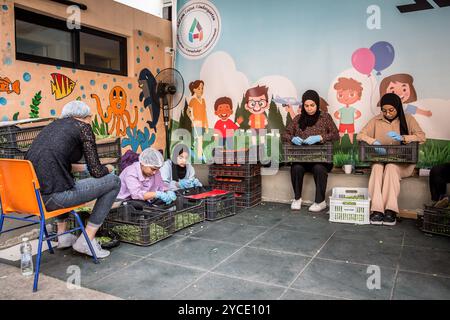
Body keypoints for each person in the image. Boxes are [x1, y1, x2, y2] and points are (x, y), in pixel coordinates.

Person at [25, 100, 121, 259]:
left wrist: (84, 168)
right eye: (90, 117)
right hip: (54, 199)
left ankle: (62, 236)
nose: (90, 120)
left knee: (61, 179)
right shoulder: (83, 128)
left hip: (31, 199)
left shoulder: (51, 128)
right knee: (114, 181)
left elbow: (55, 164)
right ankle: (86, 240)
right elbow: (97, 171)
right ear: (85, 117)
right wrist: (109, 168)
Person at [357, 93, 426, 226]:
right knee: (377, 167)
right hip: (381, 160)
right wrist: (373, 142)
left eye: (391, 110)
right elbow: (360, 135)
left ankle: (390, 210)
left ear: (398, 107)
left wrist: (404, 138)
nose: (387, 113)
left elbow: (422, 137)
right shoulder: (376, 120)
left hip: (402, 164)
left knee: (391, 167)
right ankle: (377, 210)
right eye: (384, 110)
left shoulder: (408, 119)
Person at [282, 90, 339, 212]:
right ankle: (297, 198)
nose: (309, 108)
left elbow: (335, 135)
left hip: (322, 159)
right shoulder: (298, 118)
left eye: (312, 105)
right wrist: (292, 138)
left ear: (317, 104)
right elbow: (285, 135)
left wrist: (320, 137)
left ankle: (320, 201)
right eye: (306, 106)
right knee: (296, 167)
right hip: (302, 158)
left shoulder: (325, 117)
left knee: (319, 168)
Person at [333, 77, 363, 145]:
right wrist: (339, 118)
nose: (346, 98)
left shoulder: (352, 109)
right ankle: (340, 143)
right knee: (341, 134)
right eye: (340, 95)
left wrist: (355, 118)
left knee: (351, 134)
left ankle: (352, 143)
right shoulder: (342, 109)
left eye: (351, 94)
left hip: (350, 123)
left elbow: (359, 113)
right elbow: (335, 114)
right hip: (343, 123)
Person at [188, 80, 208, 160]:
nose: (201, 90)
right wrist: (191, 116)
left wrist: (206, 125)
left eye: (202, 88)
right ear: (194, 90)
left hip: (202, 123)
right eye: (199, 88)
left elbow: (205, 113)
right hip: (196, 123)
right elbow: (188, 111)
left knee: (200, 139)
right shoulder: (193, 100)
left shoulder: (203, 101)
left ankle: (192, 149)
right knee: (199, 139)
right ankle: (200, 156)